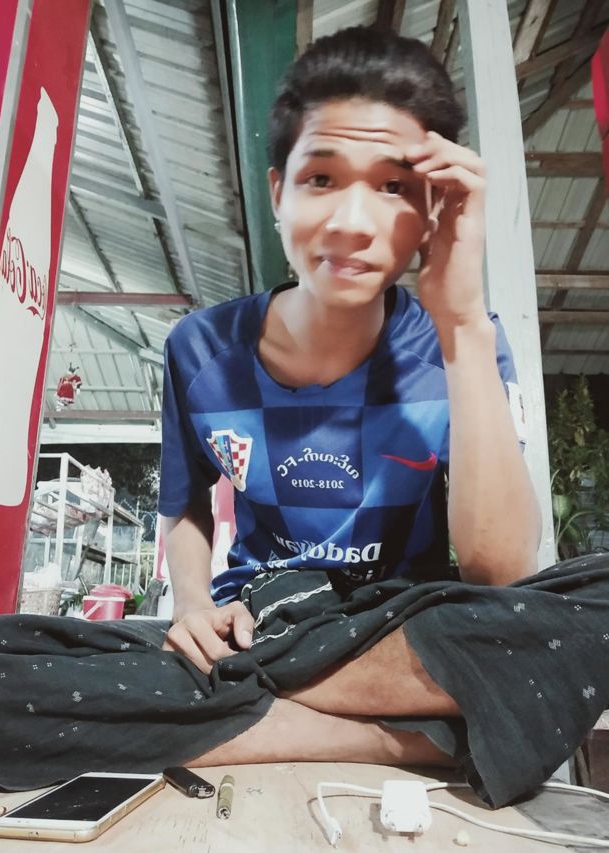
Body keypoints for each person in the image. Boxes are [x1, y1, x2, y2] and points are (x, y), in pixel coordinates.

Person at [158, 26, 544, 770]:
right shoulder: (201, 350)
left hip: (403, 629)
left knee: (587, 608)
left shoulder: (461, 343)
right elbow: (184, 504)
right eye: (322, 179)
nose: (351, 223)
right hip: (265, 620)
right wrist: (193, 605)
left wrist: (462, 322)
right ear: (278, 191)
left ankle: (259, 720)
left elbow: (500, 570)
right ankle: (405, 738)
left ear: (435, 209)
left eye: (394, 187)